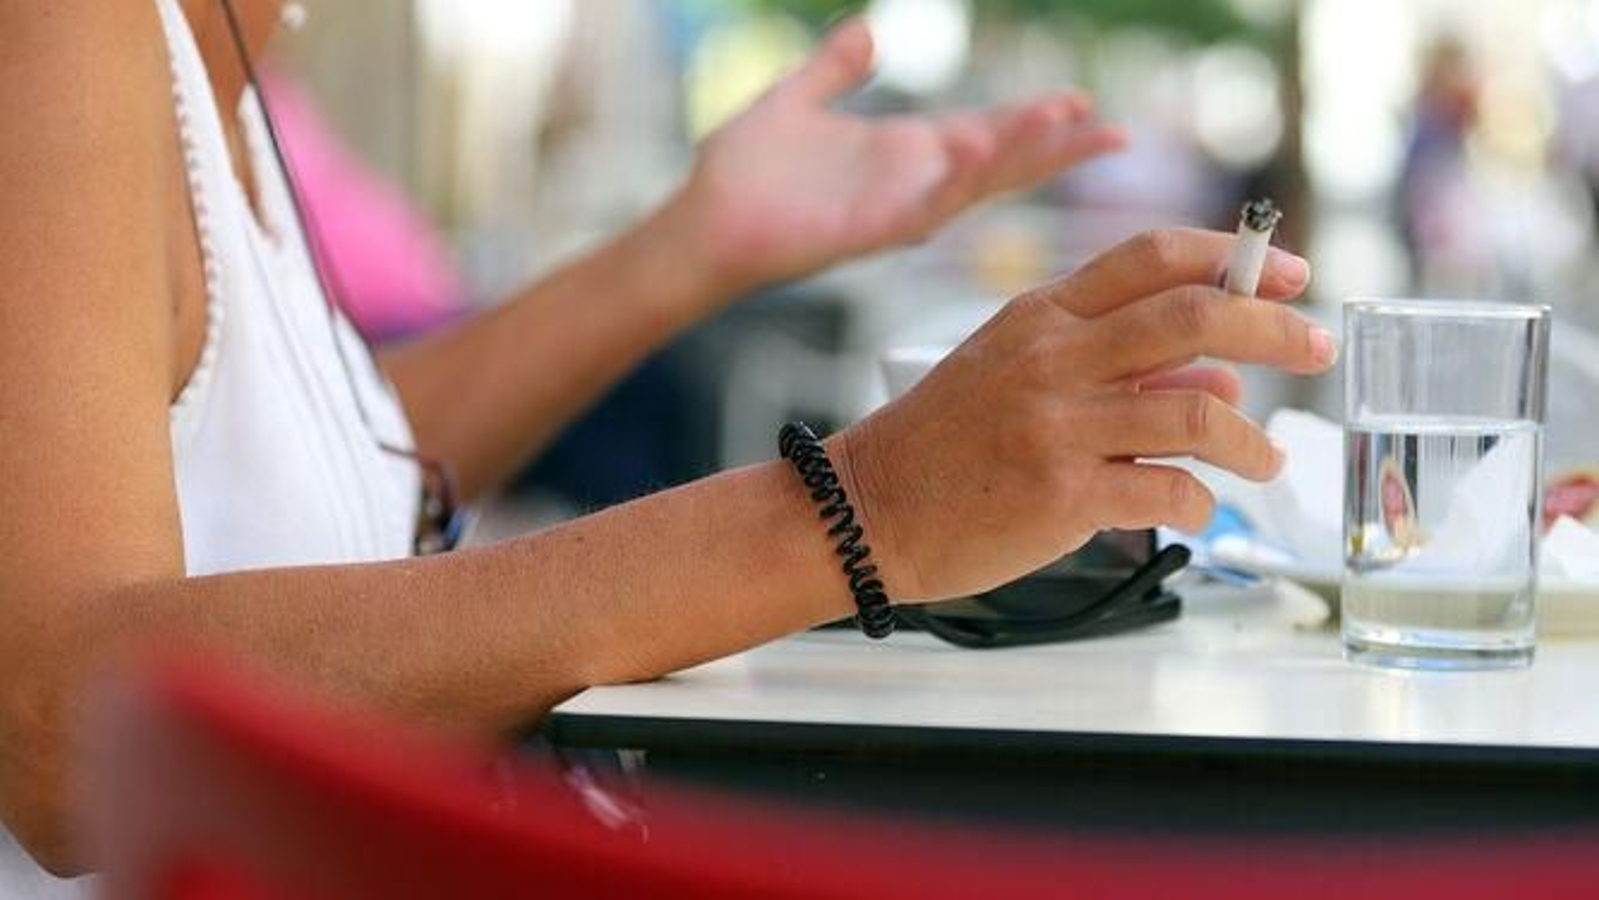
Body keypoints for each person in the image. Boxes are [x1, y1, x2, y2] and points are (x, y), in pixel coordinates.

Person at [0, 1, 1333, 892]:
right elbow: (65, 725)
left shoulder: (223, 60)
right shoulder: (64, 30)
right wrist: (860, 509)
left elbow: (299, 459)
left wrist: (687, 253)